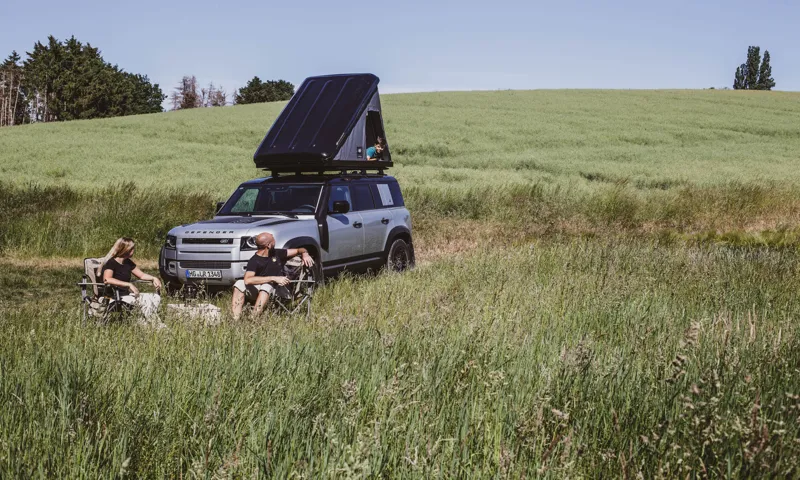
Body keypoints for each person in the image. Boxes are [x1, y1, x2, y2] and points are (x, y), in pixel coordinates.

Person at [231, 232, 314, 320]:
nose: (275, 242)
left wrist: (305, 253)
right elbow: (247, 280)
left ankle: (253, 318)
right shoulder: (254, 261)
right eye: (273, 240)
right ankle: (235, 319)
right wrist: (273, 278)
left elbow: (299, 250)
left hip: (282, 291)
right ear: (268, 245)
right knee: (239, 283)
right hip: (263, 291)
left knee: (267, 286)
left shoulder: (277, 253)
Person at [99, 237, 164, 326]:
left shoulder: (127, 262)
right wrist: (128, 284)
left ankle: (146, 323)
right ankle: (156, 325)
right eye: (132, 249)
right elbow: (107, 279)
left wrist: (153, 278)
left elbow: (141, 275)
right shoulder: (111, 263)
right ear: (125, 249)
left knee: (154, 297)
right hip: (115, 297)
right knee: (146, 301)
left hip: (126, 295)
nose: (133, 251)